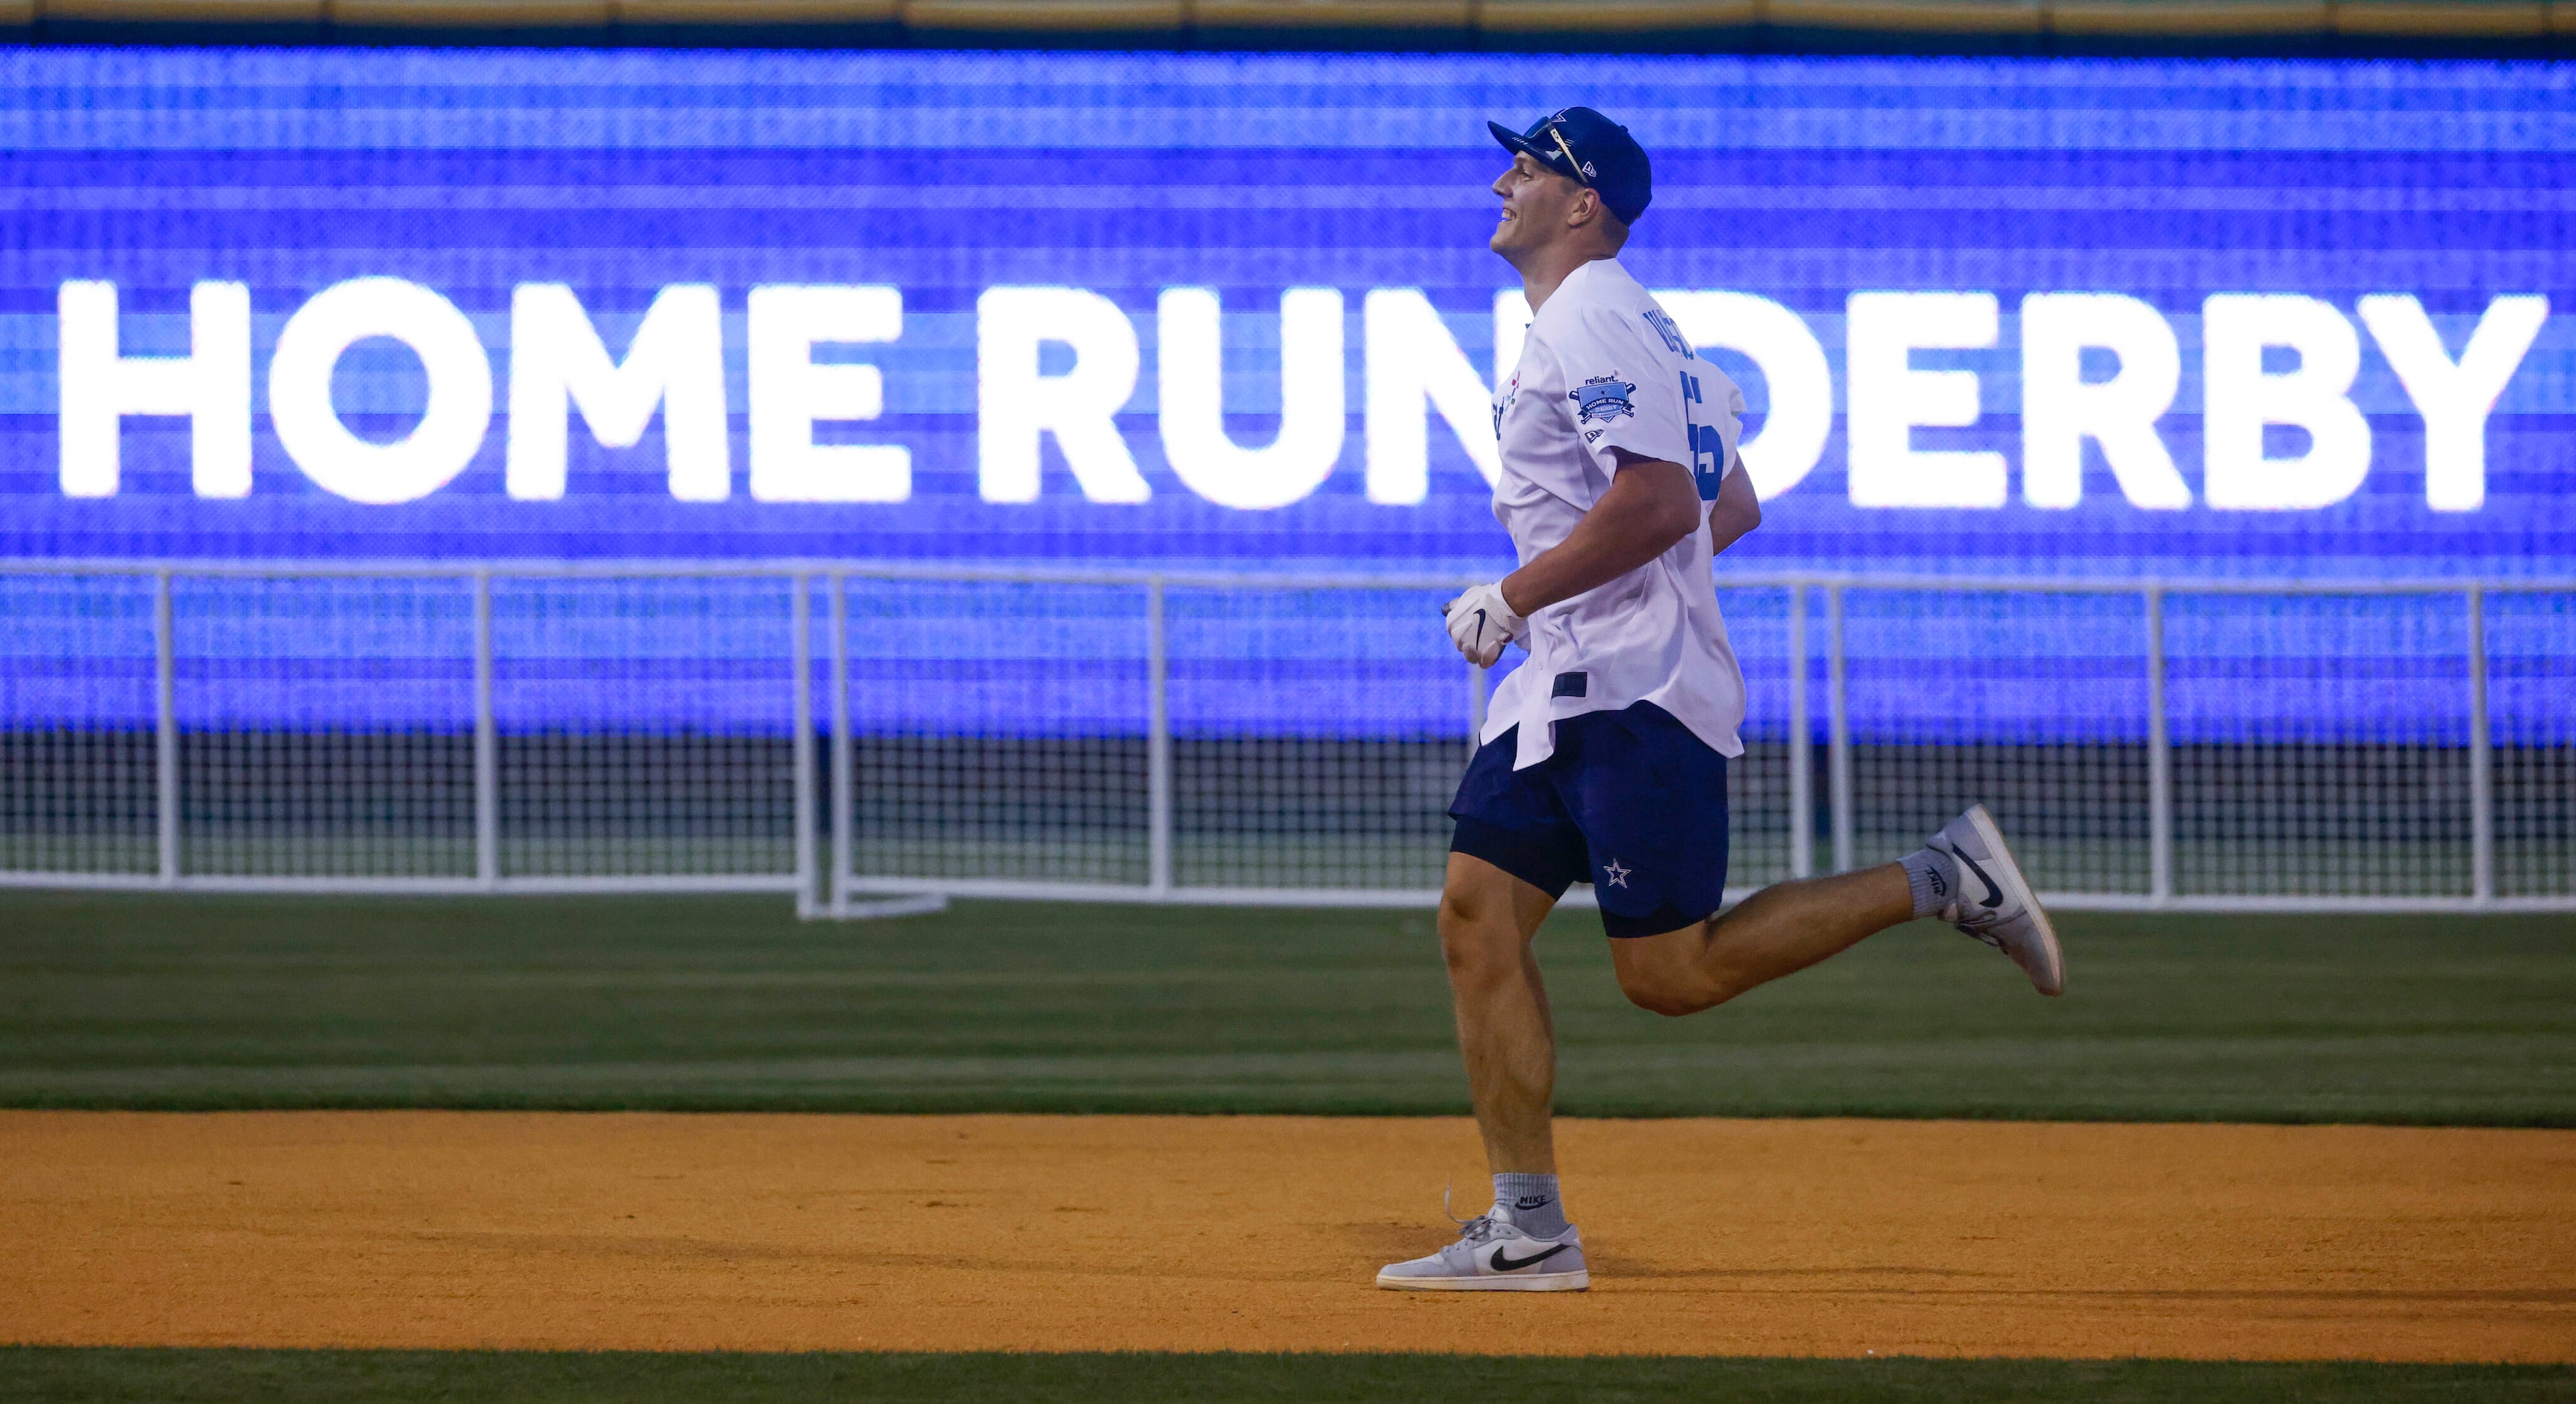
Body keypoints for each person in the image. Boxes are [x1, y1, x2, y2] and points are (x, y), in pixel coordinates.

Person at [1376, 108, 2065, 1294]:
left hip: (1630, 698)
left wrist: (1519, 590)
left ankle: (1937, 878)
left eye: (1528, 167)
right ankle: (1528, 1226)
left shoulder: (1593, 310)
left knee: (1670, 974)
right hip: (1572, 689)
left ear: (1581, 201)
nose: (1502, 181)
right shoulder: (1635, 324)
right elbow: (1726, 506)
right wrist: (1606, 604)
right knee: (1473, 916)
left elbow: (1658, 507)